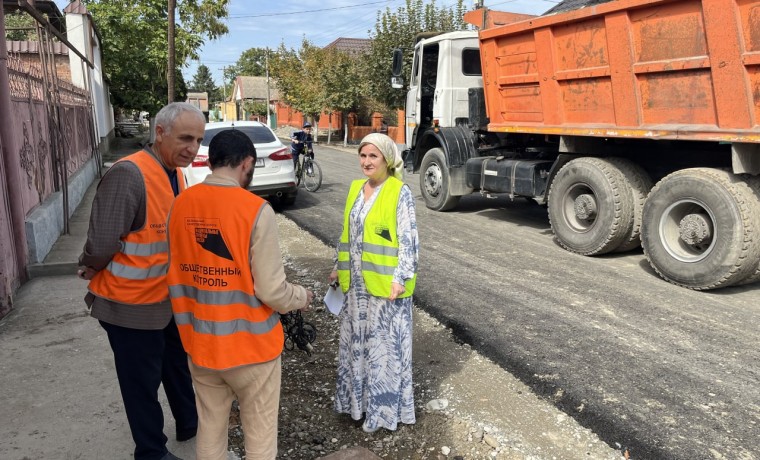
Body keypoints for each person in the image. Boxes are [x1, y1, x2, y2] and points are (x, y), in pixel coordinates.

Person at [166, 129, 314, 460]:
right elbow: (272, 290)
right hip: (252, 350)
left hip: (200, 344)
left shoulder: (179, 206)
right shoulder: (254, 210)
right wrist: (302, 297)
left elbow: (178, 273)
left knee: (210, 429)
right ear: (247, 163)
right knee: (259, 436)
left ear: (210, 161)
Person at [78, 102, 206, 460]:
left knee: (177, 366)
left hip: (165, 301)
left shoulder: (174, 173)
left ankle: (190, 422)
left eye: (198, 139)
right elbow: (102, 240)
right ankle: (151, 452)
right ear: (160, 133)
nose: (193, 149)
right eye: (185, 138)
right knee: (141, 385)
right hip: (130, 306)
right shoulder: (129, 174)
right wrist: (89, 265)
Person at [328, 132, 419, 433]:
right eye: (363, 156)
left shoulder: (399, 191)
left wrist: (401, 278)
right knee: (358, 346)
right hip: (356, 288)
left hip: (385, 289)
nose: (366, 162)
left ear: (387, 160)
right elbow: (348, 234)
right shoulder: (356, 188)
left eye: (373, 157)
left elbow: (409, 241)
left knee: (383, 350)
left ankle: (383, 412)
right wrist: (336, 267)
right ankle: (359, 405)